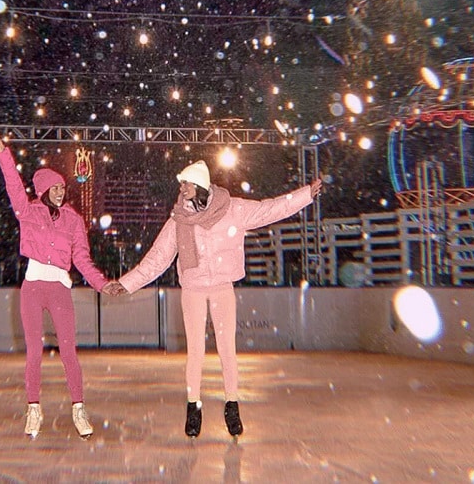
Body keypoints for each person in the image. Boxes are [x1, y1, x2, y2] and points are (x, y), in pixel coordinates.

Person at [106, 160, 321, 439]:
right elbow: (157, 259)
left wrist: (305, 195)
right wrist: (126, 283)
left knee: (226, 349)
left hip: (222, 287)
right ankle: (193, 407)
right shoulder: (178, 220)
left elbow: (270, 208)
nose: (181, 188)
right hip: (193, 289)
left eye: (186, 183)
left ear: (200, 186)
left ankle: (232, 406)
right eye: (181, 184)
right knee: (195, 350)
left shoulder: (233, 210)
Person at [0, 132, 121, 440]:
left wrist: (102, 284)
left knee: (69, 350)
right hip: (32, 286)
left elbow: (82, 259)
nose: (60, 191)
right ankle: (33, 409)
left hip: (59, 288)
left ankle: (79, 408)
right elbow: (13, 186)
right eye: (54, 187)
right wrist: (4, 152)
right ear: (43, 190)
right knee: (34, 351)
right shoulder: (28, 212)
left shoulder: (74, 220)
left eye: (62, 187)